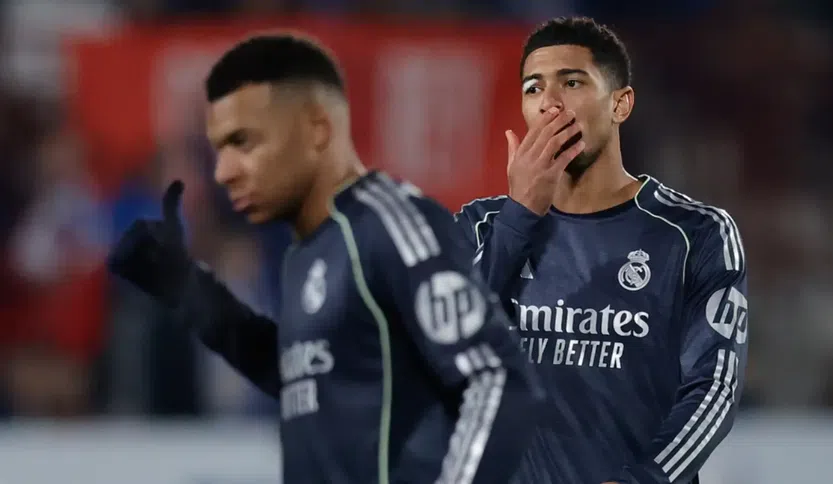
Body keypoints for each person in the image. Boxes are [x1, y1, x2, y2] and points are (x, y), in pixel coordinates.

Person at [109, 34, 544, 483]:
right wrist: (189, 291)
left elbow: (498, 381)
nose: (226, 171)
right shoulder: (306, 253)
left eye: (248, 142)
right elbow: (311, 382)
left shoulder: (388, 225)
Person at [455, 17, 748, 484]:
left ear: (620, 104)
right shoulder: (480, 226)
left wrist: (640, 480)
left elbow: (714, 388)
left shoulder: (694, 234)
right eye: (534, 88)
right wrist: (519, 217)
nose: (550, 103)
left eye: (572, 83)